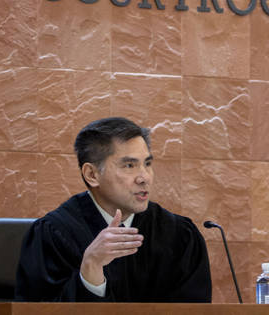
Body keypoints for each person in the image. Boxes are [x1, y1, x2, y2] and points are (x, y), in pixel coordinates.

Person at [15, 117, 211, 302]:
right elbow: (36, 310)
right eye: (129, 165)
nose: (144, 177)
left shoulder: (178, 234)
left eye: (147, 164)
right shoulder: (53, 234)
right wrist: (90, 269)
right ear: (92, 174)